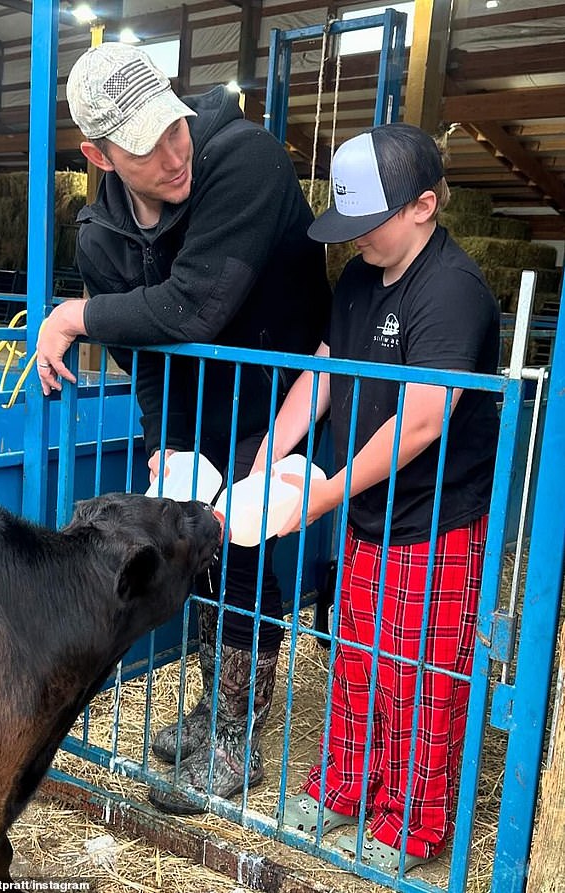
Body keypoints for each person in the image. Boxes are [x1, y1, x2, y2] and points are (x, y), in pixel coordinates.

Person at [35, 42, 331, 814]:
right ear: (97, 155)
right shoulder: (99, 236)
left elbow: (192, 307)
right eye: (146, 146)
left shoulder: (245, 161)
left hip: (277, 395)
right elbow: (148, 350)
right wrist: (163, 436)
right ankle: (210, 707)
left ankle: (237, 737)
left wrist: (72, 315)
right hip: (195, 406)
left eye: (174, 127)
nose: (174, 154)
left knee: (238, 550)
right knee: (191, 549)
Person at [253, 123, 500, 871]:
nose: (353, 238)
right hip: (368, 512)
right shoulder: (361, 277)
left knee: (420, 676)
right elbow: (324, 371)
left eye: (369, 222)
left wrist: (322, 494)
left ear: (424, 205)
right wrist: (272, 454)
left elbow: (423, 418)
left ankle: (415, 822)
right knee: (357, 660)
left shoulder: (453, 291)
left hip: (436, 518)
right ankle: (344, 783)